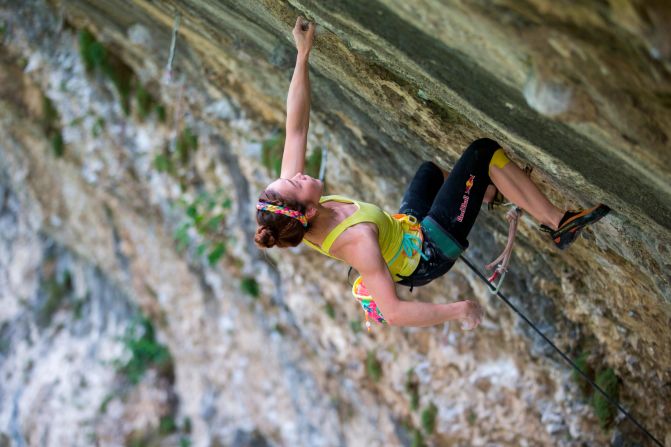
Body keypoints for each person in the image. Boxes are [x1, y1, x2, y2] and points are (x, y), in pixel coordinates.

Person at [254, 17, 610, 330]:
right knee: (482, 152)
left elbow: (296, 128)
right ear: (309, 211)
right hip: (428, 253)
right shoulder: (357, 240)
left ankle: (494, 191)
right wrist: (461, 310)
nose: (297, 174)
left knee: (431, 172)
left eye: (291, 175)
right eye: (295, 181)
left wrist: (302, 55)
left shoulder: (298, 209)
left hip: (404, 230)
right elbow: (393, 313)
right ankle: (558, 223)